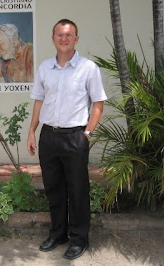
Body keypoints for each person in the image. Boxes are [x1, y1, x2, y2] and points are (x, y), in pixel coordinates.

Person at [26, 19, 107, 260]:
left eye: (68, 35)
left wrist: (87, 134)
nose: (64, 38)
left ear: (76, 39)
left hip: (75, 137)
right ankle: (58, 233)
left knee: (78, 190)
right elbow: (39, 101)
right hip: (49, 136)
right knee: (53, 188)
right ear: (53, 39)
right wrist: (32, 131)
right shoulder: (44, 68)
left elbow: (98, 104)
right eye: (60, 35)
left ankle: (79, 238)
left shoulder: (88, 68)